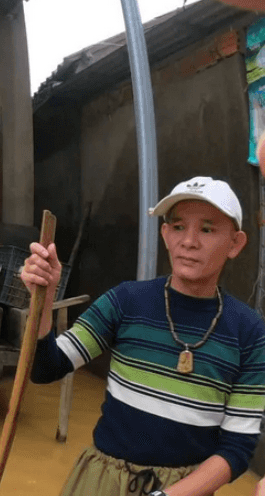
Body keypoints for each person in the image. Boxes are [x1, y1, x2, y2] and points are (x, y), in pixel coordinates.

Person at [22, 176, 265, 496]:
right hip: (102, 482)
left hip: (186, 490)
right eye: (178, 227)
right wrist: (45, 298)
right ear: (165, 234)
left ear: (235, 243)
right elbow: (46, 368)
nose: (189, 241)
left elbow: (236, 448)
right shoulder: (125, 302)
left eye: (207, 229)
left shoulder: (249, 332)